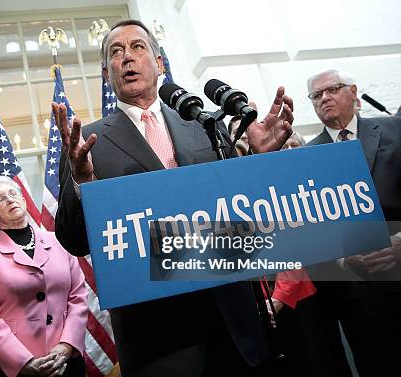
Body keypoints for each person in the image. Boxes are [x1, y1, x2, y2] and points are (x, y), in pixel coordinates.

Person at [52, 19, 294, 377]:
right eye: (116, 53)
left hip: (234, 322)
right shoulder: (86, 142)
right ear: (107, 74)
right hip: (158, 339)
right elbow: (74, 240)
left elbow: (247, 214)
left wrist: (258, 158)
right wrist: (83, 181)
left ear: (160, 63)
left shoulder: (203, 125)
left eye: (138, 48)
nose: (127, 58)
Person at [306, 68, 401, 377]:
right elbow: (311, 231)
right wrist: (344, 257)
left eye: (332, 89)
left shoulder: (394, 131)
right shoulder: (306, 158)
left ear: (353, 91)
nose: (325, 98)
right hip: (357, 297)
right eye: (317, 95)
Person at [0, 176, 88, 377]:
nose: (9, 199)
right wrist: (23, 362)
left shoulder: (59, 240)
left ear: (24, 200)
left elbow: (78, 298)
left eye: (13, 194)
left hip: (66, 361)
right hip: (17, 367)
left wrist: (67, 345)